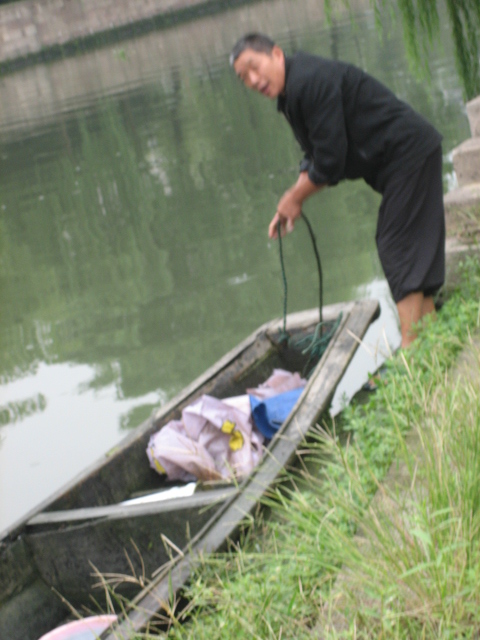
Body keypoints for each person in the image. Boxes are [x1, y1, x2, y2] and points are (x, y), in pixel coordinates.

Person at [230, 33, 445, 348]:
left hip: (408, 154)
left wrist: (294, 197)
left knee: (396, 243)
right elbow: (314, 154)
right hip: (407, 158)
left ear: (276, 54)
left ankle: (414, 348)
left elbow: (330, 161)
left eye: (254, 66)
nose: (252, 79)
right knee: (402, 243)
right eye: (243, 78)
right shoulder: (291, 94)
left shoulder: (309, 80)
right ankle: (430, 333)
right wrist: (291, 200)